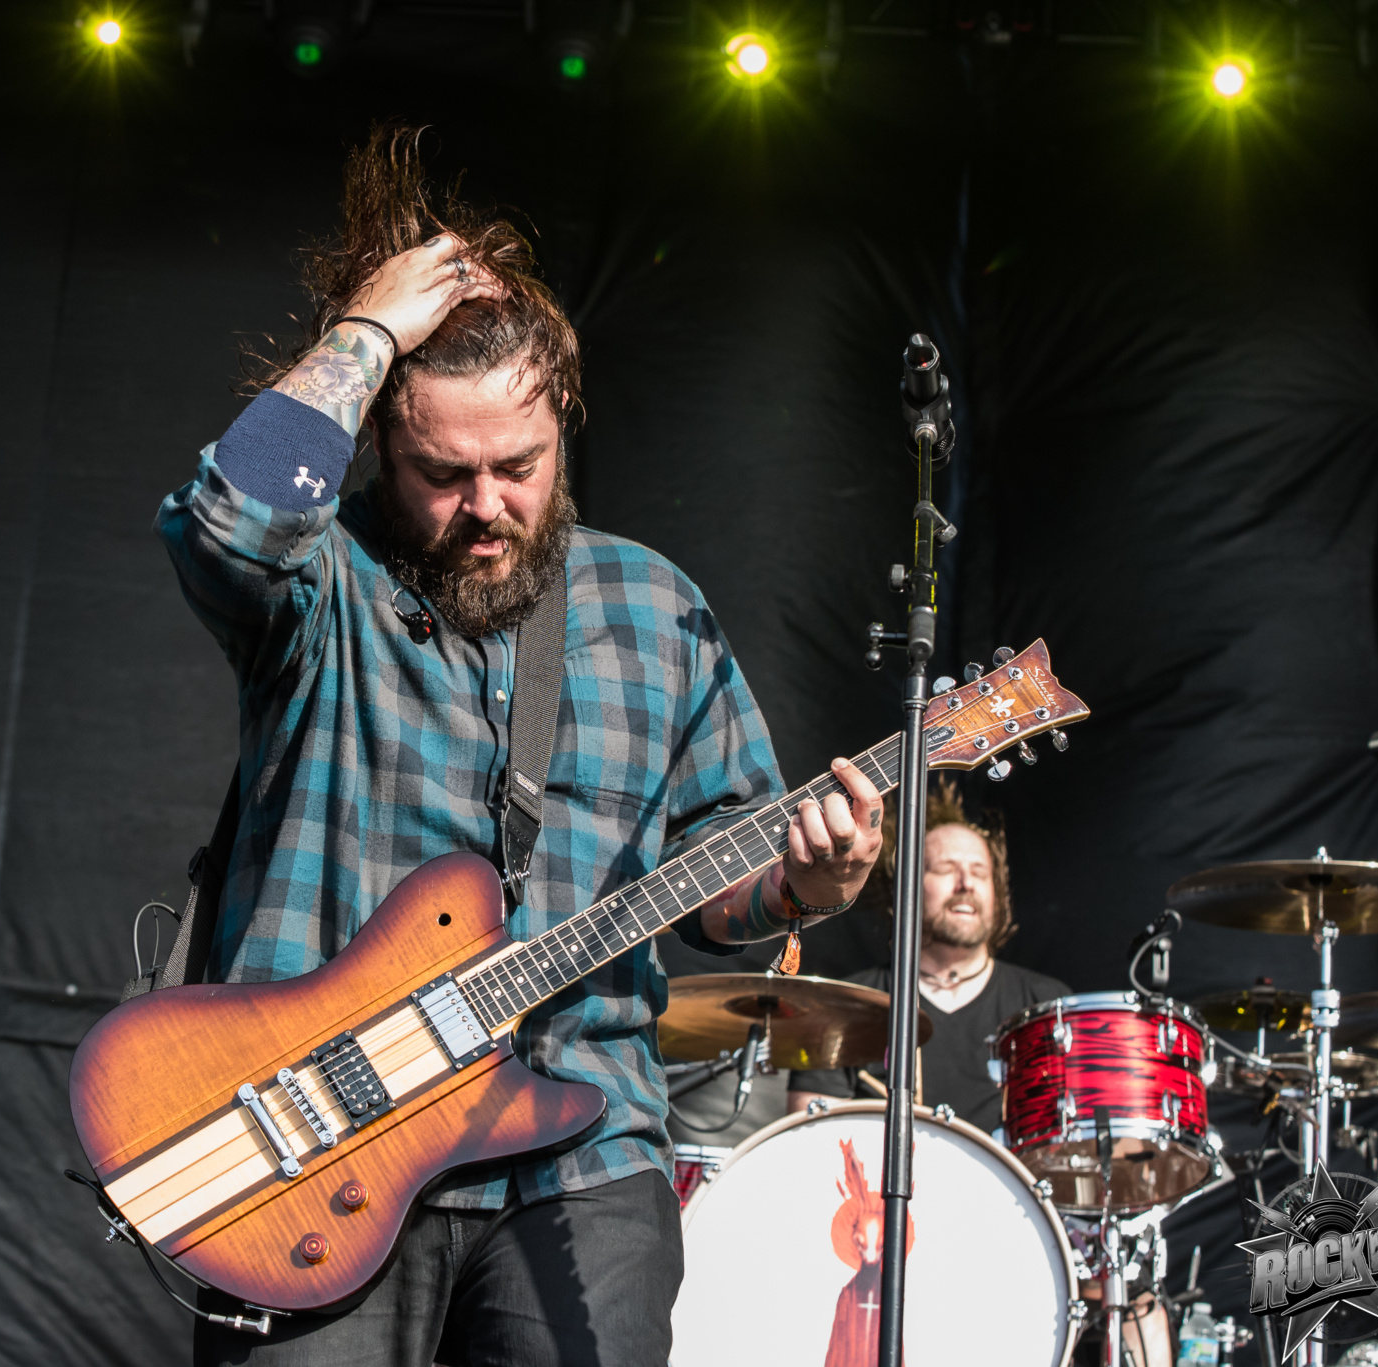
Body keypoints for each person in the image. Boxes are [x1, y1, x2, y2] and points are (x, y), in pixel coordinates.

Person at [154, 125, 884, 1367]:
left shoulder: (650, 606)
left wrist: (807, 879)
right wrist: (366, 335)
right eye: (444, 472)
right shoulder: (322, 585)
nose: (486, 507)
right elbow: (226, 525)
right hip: (312, 1145)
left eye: (519, 466)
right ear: (381, 442)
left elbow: (726, 865)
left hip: (578, 1152)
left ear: (564, 426)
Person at [785, 779, 1068, 1133]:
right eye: (946, 869)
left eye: (980, 872)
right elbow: (810, 1141)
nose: (966, 883)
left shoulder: (1047, 1004)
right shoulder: (843, 1008)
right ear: (906, 887)